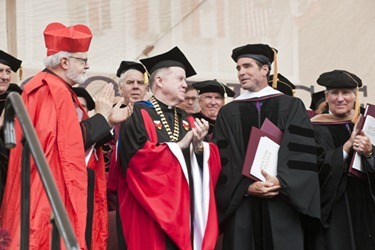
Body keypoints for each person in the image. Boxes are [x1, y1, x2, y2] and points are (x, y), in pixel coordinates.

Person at [0, 22, 131, 249]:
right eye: (82, 61)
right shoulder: (50, 89)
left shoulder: (58, 88)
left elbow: (68, 137)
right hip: (46, 195)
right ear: (64, 62)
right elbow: (64, 143)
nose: (87, 66)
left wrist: (107, 120)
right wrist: (101, 117)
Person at [213, 43, 321, 250]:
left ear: (265, 69)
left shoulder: (291, 105)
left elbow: (302, 152)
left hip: (282, 200)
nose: (241, 72)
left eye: (247, 66)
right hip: (243, 202)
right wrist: (246, 187)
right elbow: (224, 159)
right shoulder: (228, 112)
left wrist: (282, 181)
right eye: (238, 68)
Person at [117, 46, 221, 249]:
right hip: (148, 210)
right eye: (180, 79)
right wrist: (181, 145)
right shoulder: (136, 114)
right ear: (160, 81)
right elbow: (137, 162)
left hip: (183, 210)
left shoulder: (186, 118)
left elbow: (203, 170)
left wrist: (200, 148)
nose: (186, 85)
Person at [311, 69, 375, 250]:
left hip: (366, 203)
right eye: (334, 93)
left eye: (346, 92)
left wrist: (370, 153)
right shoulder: (314, 127)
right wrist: (346, 147)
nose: (340, 98)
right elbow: (313, 170)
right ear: (326, 96)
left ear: (355, 96)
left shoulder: (368, 123)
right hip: (335, 208)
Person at [0, 50, 22, 208]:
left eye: (8, 71)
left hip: (13, 180)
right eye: (0, 71)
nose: (5, 76)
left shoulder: (17, 100)